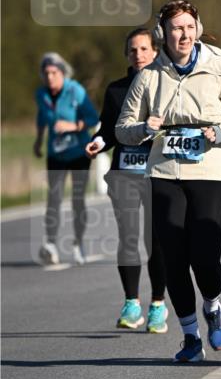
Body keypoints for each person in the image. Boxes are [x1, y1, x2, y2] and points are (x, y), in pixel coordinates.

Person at [116, 0, 221, 363]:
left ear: (198, 29)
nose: (184, 34)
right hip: (165, 172)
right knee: (173, 258)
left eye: (190, 27)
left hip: (210, 169)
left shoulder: (217, 65)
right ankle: (191, 337)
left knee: (205, 257)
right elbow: (122, 128)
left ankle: (212, 305)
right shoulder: (149, 75)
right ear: (162, 33)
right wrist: (142, 129)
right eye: (177, 28)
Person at [85, 28, 169, 333]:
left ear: (156, 51)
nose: (139, 54)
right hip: (124, 172)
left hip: (157, 172)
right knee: (129, 236)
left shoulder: (166, 86)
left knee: (155, 240)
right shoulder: (116, 90)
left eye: (144, 49)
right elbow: (108, 130)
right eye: (133, 50)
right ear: (127, 55)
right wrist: (98, 143)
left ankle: (158, 305)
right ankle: (131, 303)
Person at [34, 52, 99, 265]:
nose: (50, 77)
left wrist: (73, 126)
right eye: (46, 73)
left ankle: (78, 243)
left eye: (54, 72)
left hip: (79, 152)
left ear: (62, 73)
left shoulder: (75, 90)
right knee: (53, 198)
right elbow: (42, 117)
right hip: (56, 153)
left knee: (77, 199)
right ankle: (51, 244)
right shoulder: (41, 94)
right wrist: (38, 140)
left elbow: (92, 118)